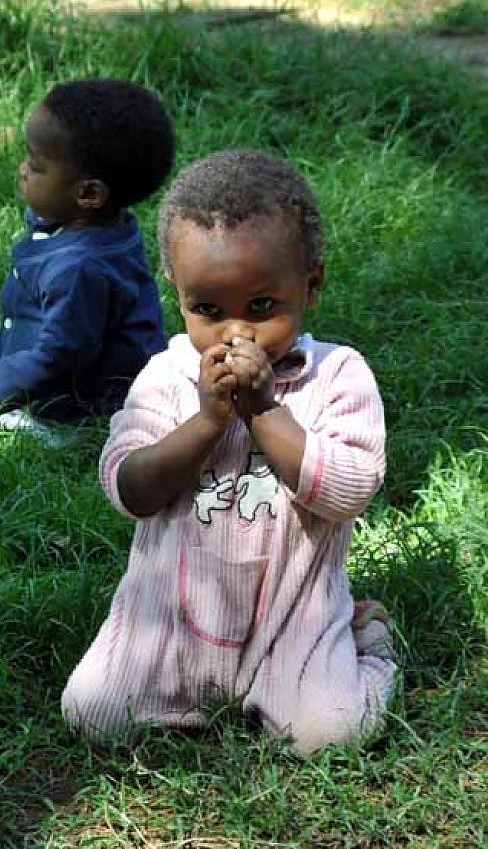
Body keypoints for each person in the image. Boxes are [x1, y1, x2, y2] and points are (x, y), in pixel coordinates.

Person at [61, 149, 397, 755]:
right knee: (94, 714)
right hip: (171, 617)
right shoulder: (166, 376)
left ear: (311, 284)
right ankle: (186, 682)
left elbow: (351, 489)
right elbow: (129, 489)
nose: (235, 333)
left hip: (292, 616)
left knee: (331, 734)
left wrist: (267, 414)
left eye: (261, 307)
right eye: (207, 310)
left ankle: (365, 641)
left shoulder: (338, 375)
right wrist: (207, 422)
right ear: (179, 295)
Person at [0, 78, 174, 440]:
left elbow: (63, 354)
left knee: (5, 427)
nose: (23, 168)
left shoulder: (81, 269)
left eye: (37, 165)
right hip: (67, 365)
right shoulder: (96, 225)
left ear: (88, 193)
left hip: (80, 406)